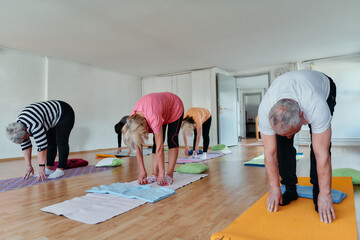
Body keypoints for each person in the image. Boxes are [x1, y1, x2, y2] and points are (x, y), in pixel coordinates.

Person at [258, 69, 336, 223]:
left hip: (324, 88)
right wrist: (274, 188)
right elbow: (270, 154)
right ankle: (290, 188)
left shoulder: (316, 106)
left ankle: (318, 192)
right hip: (294, 91)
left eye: (291, 133)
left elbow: (323, 156)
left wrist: (326, 193)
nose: (289, 137)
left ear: (302, 115)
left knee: (319, 146)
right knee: (281, 144)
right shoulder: (265, 110)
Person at [122, 92, 184, 186]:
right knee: (156, 141)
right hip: (159, 108)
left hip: (174, 106)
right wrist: (142, 171)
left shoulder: (153, 117)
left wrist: (162, 172)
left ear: (145, 126)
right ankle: (154, 173)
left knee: (172, 139)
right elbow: (138, 146)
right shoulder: (133, 120)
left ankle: (169, 174)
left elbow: (160, 147)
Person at [6, 100, 75, 181]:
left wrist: (41, 168)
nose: (26, 139)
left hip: (64, 112)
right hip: (49, 118)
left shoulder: (34, 125)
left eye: (25, 137)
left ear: (25, 129)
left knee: (61, 141)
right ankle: (49, 168)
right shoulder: (17, 127)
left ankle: (61, 169)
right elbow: (25, 145)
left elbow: (42, 146)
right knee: (50, 142)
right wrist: (29, 166)